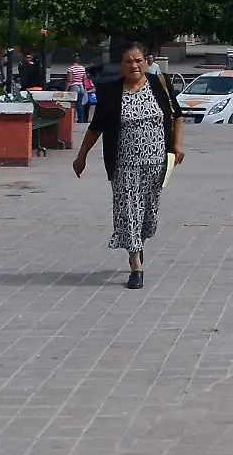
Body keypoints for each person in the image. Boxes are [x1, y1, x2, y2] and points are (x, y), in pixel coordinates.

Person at [73, 42, 185, 289]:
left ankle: (138, 243)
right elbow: (96, 128)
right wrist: (81, 156)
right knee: (128, 212)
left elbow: (177, 115)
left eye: (138, 60)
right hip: (124, 164)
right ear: (121, 65)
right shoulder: (111, 92)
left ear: (146, 61)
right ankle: (136, 265)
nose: (134, 65)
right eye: (128, 61)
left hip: (156, 163)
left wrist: (177, 145)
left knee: (148, 216)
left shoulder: (160, 84)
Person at [67, 56, 90, 123]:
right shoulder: (82, 68)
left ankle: (72, 120)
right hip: (81, 87)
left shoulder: (70, 69)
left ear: (72, 61)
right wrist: (85, 88)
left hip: (74, 87)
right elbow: (84, 79)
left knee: (72, 105)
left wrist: (66, 89)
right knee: (80, 104)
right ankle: (81, 120)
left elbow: (69, 80)